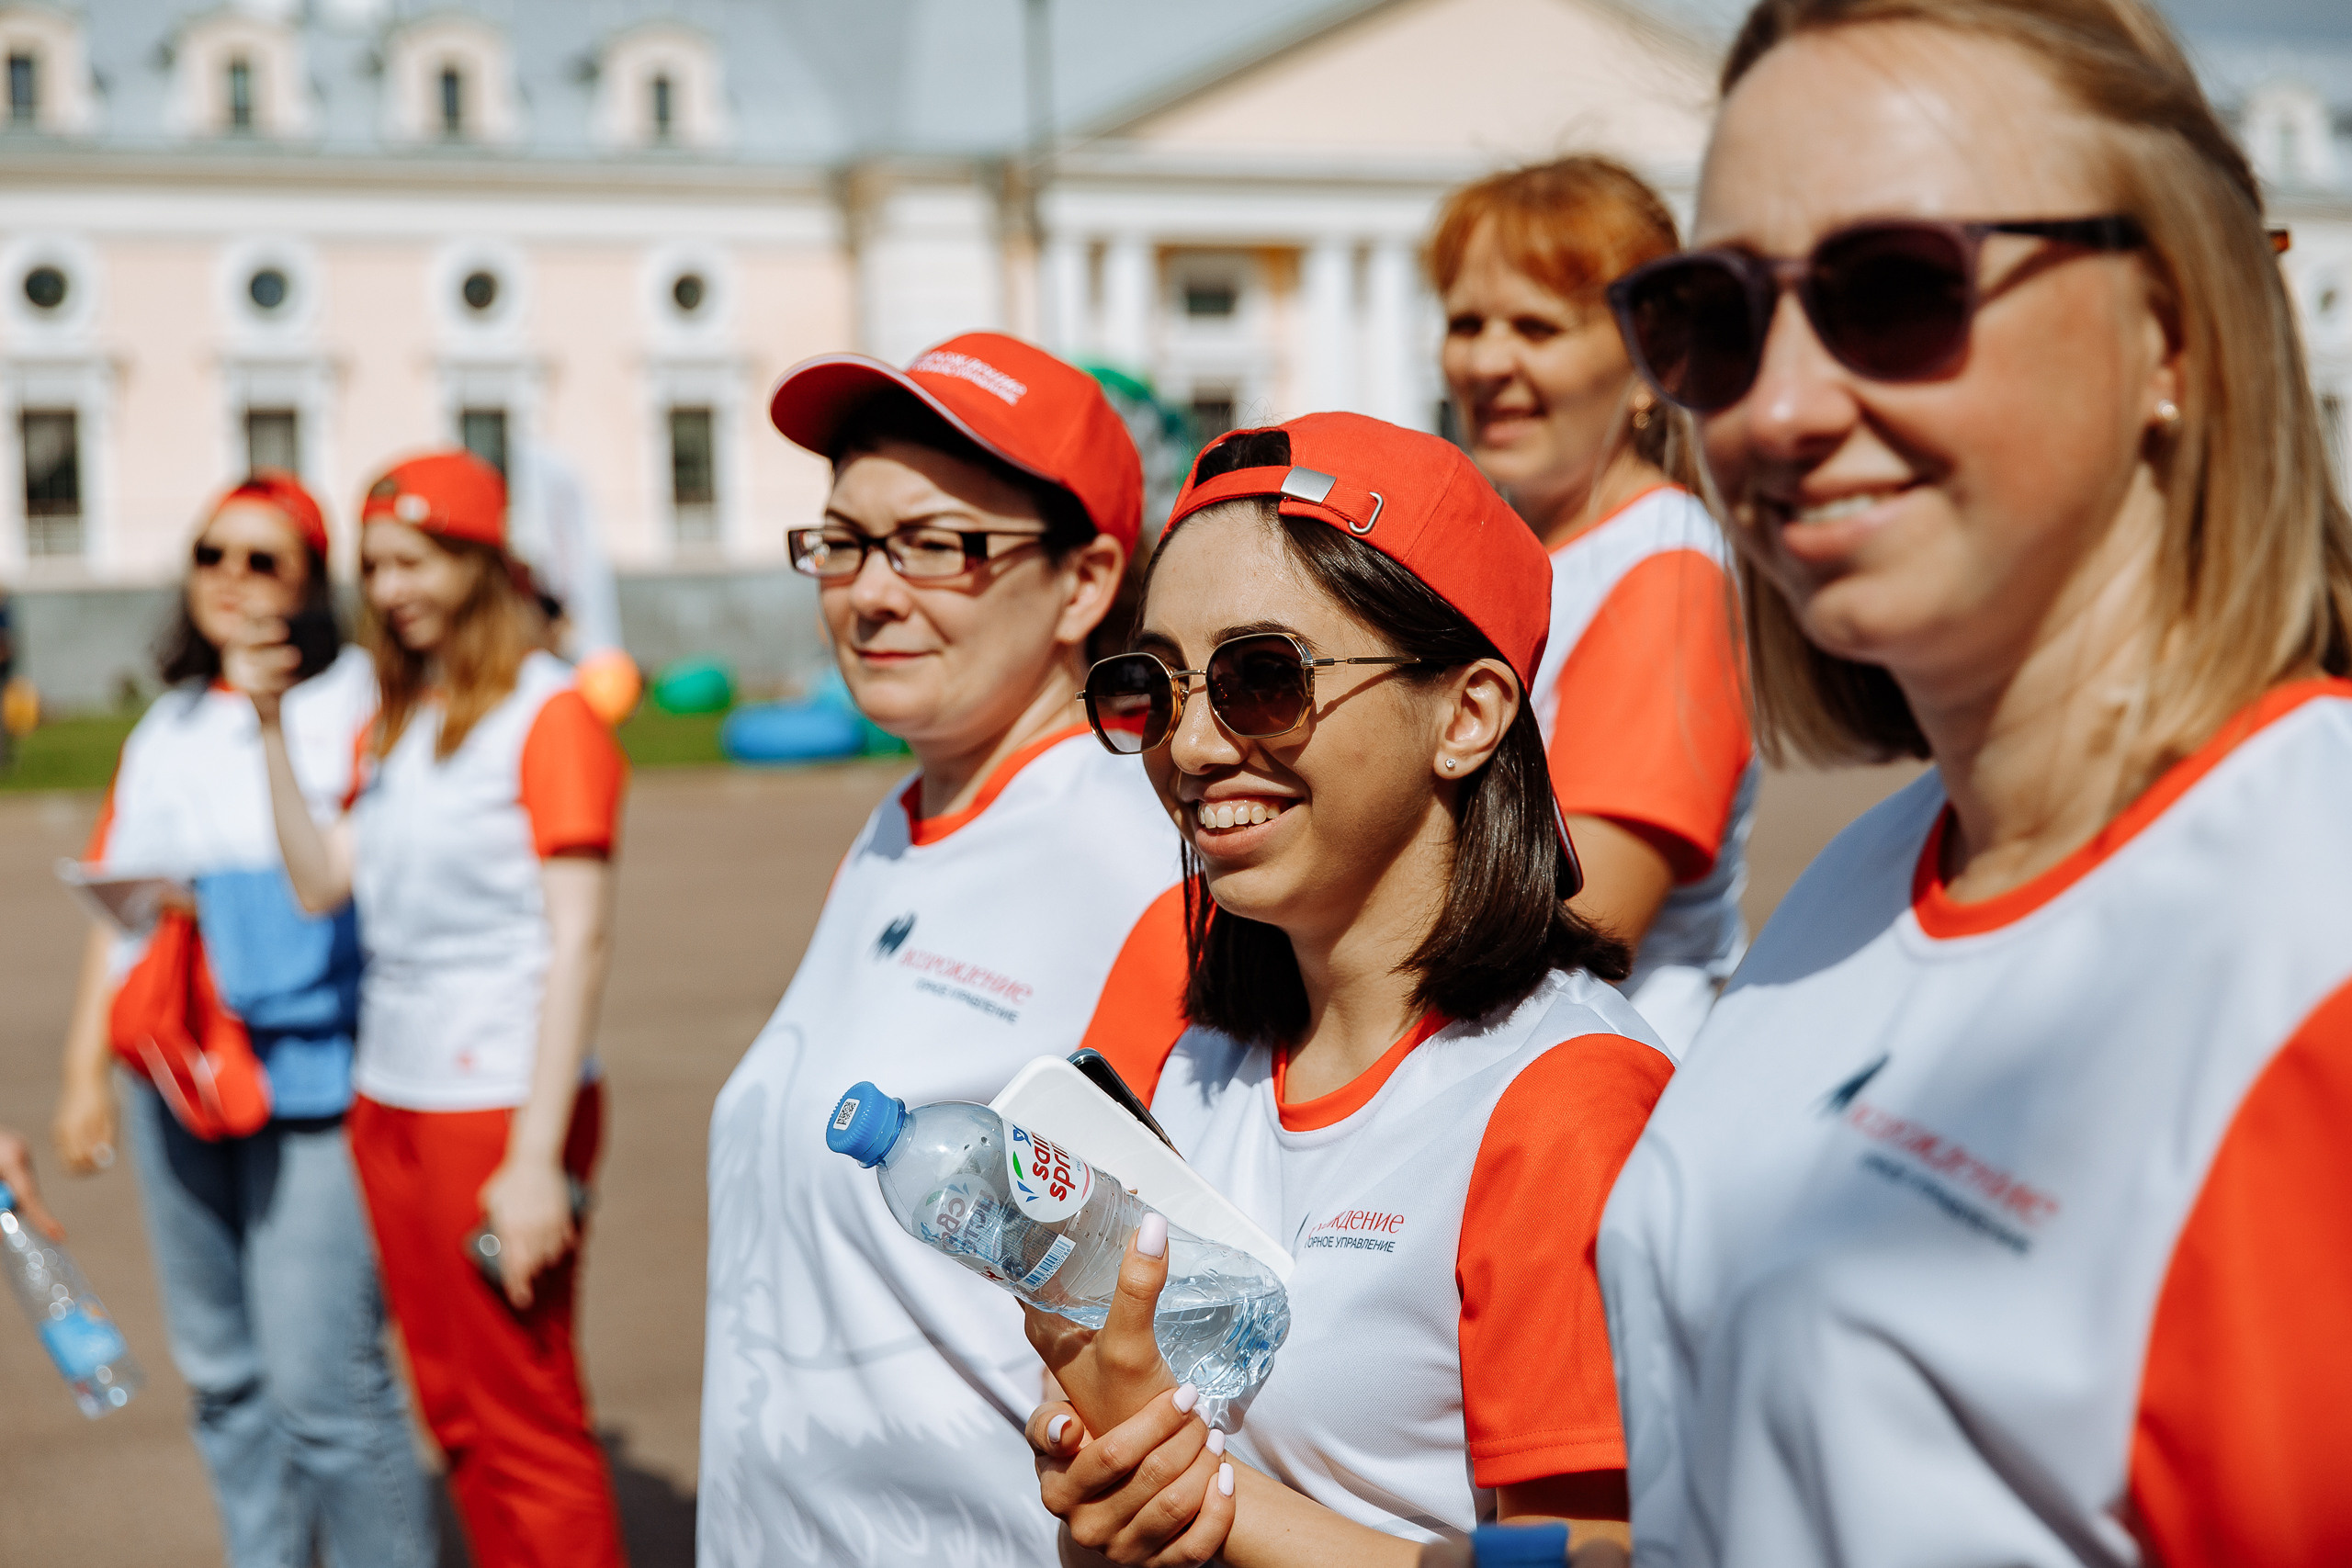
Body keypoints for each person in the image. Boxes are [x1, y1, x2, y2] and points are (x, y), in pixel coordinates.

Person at [1596, 0, 2352, 1562]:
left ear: (2177, 334)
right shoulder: (1866, 883)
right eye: (1712, 317)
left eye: (1893, 289)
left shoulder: (2308, 942)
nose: (1780, 409)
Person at [1022, 413, 1676, 1565]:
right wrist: (1107, 1486)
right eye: (1157, 687)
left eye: (1261, 677)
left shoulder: (1562, 1099)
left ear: (1467, 715)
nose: (1193, 743)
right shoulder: (1200, 1065)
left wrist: (1203, 1502)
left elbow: (1604, 1556)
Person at [697, 333, 1189, 1567]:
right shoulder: (895, 827)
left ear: (1085, 582)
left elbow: (1202, 1322)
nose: (869, 591)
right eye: (846, 540)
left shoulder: (1140, 863)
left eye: (937, 544)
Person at [228, 452, 631, 1568]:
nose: (389, 587)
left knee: (529, 1420)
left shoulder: (551, 718)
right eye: (375, 566)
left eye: (413, 560)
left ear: (477, 559)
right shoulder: (404, 720)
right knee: (453, 1413)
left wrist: (536, 1155)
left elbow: (579, 939)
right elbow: (321, 882)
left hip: (496, 1108)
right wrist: (268, 729)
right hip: (391, 1098)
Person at [50, 472, 431, 1568]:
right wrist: (85, 1074)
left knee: (326, 1385)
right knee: (221, 1377)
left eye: (263, 559)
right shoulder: (166, 722)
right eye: (212, 554)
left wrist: (212, 897)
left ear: (313, 583)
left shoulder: (363, 698)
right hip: (171, 1065)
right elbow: (117, 914)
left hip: (313, 1066)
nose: (231, 578)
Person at [1432, 158, 1758, 1053]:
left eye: (1537, 327)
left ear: (1653, 357)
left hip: (1593, 1091)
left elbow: (1584, 918)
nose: (1489, 360)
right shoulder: (1503, 550)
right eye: (1467, 323)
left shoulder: (1668, 569)